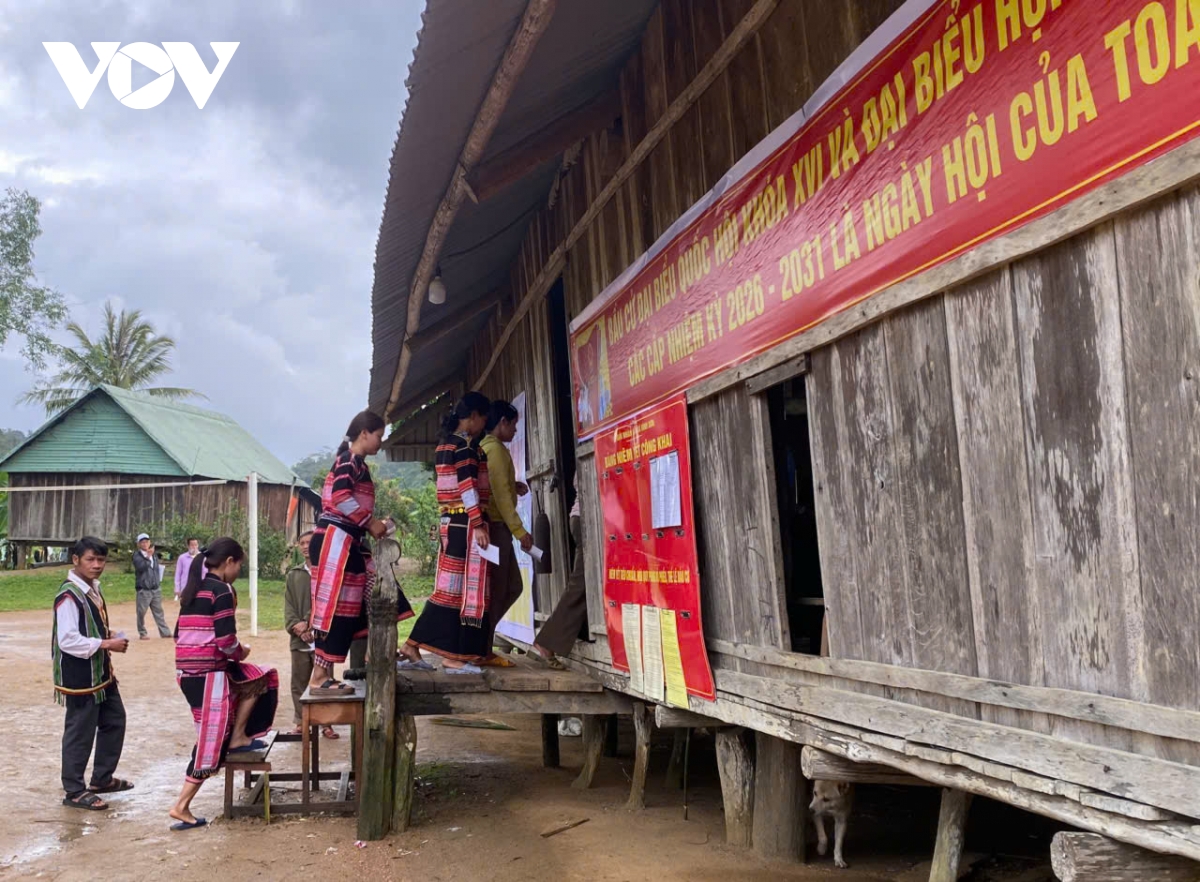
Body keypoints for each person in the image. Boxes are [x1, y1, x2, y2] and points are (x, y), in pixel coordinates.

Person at [308, 410, 425, 697]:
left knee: (379, 591)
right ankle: (319, 676)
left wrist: (370, 525)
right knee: (336, 607)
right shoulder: (349, 460)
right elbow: (340, 497)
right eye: (378, 436)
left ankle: (376, 650)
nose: (380, 442)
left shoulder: (354, 462)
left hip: (350, 541)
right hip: (336, 542)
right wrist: (370, 522)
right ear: (364, 433)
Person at [169, 538, 278, 831]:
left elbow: (178, 634)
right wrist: (241, 652)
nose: (239, 571)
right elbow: (226, 640)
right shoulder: (222, 591)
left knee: (258, 678)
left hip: (188, 672)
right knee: (209, 741)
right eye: (239, 564)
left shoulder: (193, 589)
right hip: (208, 675)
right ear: (229, 561)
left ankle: (239, 736)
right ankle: (181, 805)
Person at [405, 392, 495, 672]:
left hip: (450, 522)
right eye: (484, 419)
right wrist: (478, 523)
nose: (484, 426)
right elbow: (467, 487)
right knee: (456, 590)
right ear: (474, 416)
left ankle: (444, 651)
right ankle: (424, 646)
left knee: (453, 589)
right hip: (464, 523)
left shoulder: (445, 444)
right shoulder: (464, 446)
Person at [54, 536, 133, 810]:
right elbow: (67, 640)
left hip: (101, 673)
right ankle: (74, 790)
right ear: (76, 560)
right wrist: (106, 644)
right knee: (80, 731)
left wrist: (106, 634)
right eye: (91, 559)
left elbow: (86, 626)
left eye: (101, 559)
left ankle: (102, 779)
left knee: (115, 720)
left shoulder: (91, 589)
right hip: (80, 677)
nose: (97, 565)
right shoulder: (69, 596)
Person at [477, 400, 532, 667]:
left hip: (497, 528)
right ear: (502, 423)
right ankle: (482, 647)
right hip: (498, 529)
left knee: (510, 587)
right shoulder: (496, 451)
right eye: (513, 425)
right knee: (500, 591)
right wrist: (520, 531)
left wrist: (514, 485)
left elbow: (498, 487)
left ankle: (482, 643)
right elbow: (500, 496)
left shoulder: (489, 448)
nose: (515, 431)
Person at [283, 531, 337, 739]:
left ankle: (326, 723)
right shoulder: (294, 574)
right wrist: (296, 626)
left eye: (310, 542)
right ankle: (301, 721)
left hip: (321, 637)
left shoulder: (326, 572)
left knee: (325, 681)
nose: (306, 546)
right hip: (299, 639)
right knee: (298, 682)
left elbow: (324, 600)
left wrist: (309, 623)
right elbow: (288, 604)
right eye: (302, 543)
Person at [533, 472, 589, 669]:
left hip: (582, 518)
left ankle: (549, 640)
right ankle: (547, 641)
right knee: (581, 584)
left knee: (584, 584)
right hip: (585, 520)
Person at [133, 533, 170, 639]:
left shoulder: (154, 555)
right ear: (139, 544)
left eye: (147, 541)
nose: (145, 544)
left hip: (155, 588)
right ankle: (142, 633)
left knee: (159, 612)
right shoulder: (137, 555)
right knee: (141, 613)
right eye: (142, 542)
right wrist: (148, 557)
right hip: (144, 589)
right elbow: (141, 567)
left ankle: (165, 632)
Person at [173, 537, 204, 602]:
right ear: (188, 546)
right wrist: (177, 589)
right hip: (185, 588)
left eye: (196, 545)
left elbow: (205, 573)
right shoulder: (182, 558)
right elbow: (178, 574)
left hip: (200, 588)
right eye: (192, 545)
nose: (194, 547)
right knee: (186, 606)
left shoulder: (203, 558)